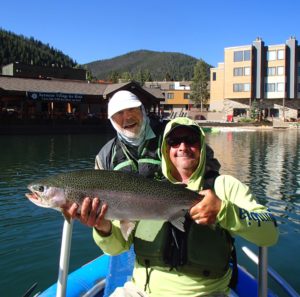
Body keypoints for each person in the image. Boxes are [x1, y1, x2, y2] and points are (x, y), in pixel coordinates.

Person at [91, 117, 279, 297]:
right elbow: (116, 248)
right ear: (165, 149)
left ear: (202, 147)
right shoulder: (145, 187)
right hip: (140, 292)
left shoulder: (225, 186)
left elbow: (270, 231)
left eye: (191, 140)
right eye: (174, 141)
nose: (183, 147)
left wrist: (224, 211)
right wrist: (103, 228)